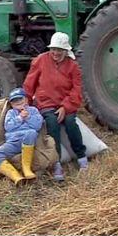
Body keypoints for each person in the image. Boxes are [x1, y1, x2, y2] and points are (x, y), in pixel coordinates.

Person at [23, 32, 88, 181]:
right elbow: (29, 83)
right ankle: (56, 163)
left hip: (66, 103)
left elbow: (76, 89)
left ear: (66, 51)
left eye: (60, 49)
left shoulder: (73, 66)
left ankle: (81, 157)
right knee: (52, 123)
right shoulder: (41, 60)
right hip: (46, 103)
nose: (56, 53)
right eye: (53, 49)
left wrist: (66, 107)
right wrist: (25, 103)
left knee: (71, 123)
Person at [0, 87, 43, 185]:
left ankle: (26, 169)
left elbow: (37, 125)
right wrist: (20, 118)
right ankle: (16, 177)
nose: (17, 102)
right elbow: (8, 127)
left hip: (28, 140)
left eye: (20, 99)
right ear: (11, 104)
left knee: (31, 132)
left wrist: (28, 117)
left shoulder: (33, 110)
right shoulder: (10, 113)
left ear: (26, 100)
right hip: (13, 141)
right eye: (14, 101)